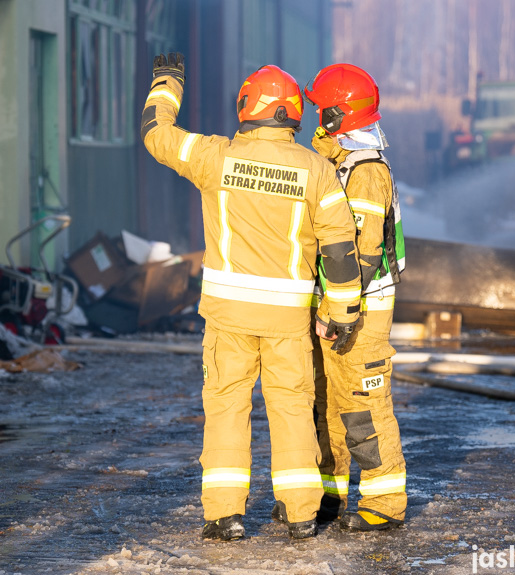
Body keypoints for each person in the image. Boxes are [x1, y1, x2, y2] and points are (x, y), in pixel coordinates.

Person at [141, 53, 363, 541]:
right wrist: (344, 313)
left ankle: (225, 515)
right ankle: (302, 514)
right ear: (292, 115)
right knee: (291, 409)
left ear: (247, 107)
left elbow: (157, 136)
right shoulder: (315, 169)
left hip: (227, 318)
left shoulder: (214, 157)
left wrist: (167, 82)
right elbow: (341, 248)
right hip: (288, 321)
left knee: (225, 409)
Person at [303, 63, 408, 531]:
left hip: (360, 310)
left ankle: (384, 507)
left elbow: (362, 254)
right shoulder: (345, 162)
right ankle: (332, 496)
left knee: (364, 407)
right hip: (342, 305)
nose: (314, 121)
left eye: (320, 113)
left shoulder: (365, 173)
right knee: (330, 402)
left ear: (335, 115)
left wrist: (338, 312)